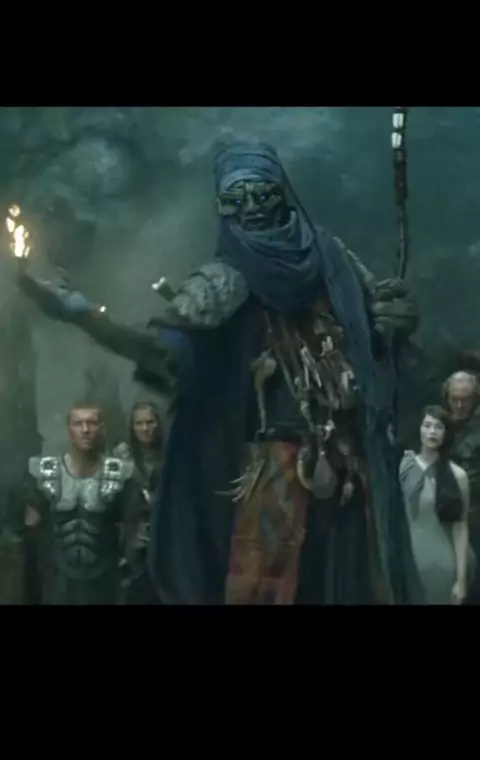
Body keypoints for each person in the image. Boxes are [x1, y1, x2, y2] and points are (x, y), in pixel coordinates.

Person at [15, 141, 420, 605]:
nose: (253, 207)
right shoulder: (222, 281)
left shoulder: (335, 264)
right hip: (275, 479)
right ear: (223, 207)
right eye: (238, 197)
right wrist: (86, 317)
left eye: (262, 193)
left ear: (281, 193)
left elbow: (381, 337)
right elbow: (163, 355)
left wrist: (396, 322)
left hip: (348, 472)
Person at [23, 403, 141, 605]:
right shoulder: (45, 474)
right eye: (78, 424)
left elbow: (132, 532)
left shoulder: (120, 475)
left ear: (102, 428)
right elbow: (31, 530)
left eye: (92, 423)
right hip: (58, 579)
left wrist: (128, 575)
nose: (85, 430)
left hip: (106, 579)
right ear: (69, 429)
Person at [400, 405, 472, 604]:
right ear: (419, 429)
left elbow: (461, 527)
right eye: (427, 425)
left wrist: (461, 580)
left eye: (439, 427)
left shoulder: (457, 476)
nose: (432, 431)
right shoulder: (405, 466)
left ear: (446, 433)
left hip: (440, 564)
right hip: (407, 562)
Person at [114, 402, 163, 604]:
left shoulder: (170, 455)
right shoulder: (122, 458)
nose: (145, 428)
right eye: (139, 423)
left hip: (164, 539)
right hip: (133, 542)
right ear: (132, 427)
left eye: (150, 422)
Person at [441, 371, 480, 600]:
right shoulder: (438, 427)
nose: (459, 405)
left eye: (465, 399)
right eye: (454, 398)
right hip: (446, 520)